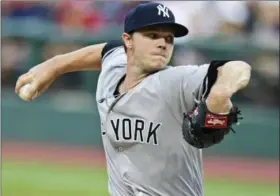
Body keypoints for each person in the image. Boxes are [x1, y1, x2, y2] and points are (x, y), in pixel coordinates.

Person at [15, 2, 251, 196]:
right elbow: (105, 50)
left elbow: (237, 68)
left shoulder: (176, 82)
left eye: (169, 39)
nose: (162, 43)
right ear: (128, 41)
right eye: (152, 35)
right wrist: (54, 65)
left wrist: (219, 94)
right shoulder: (114, 69)